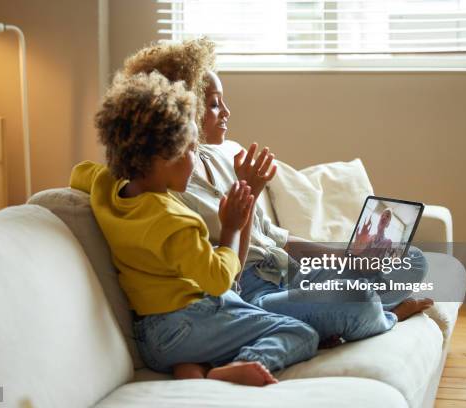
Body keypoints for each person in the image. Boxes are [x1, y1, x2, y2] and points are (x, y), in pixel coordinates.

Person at [123, 38, 434, 346]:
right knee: (359, 299)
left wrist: (348, 259)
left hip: (290, 273)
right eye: (215, 104)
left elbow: (276, 237)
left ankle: (334, 316)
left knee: (412, 261)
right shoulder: (166, 191)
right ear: (182, 108)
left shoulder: (221, 156)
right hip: (253, 297)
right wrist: (247, 201)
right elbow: (223, 284)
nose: (227, 112)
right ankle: (384, 315)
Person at [69, 70, 319, 386]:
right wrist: (230, 229)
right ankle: (238, 365)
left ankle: (192, 367)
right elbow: (217, 281)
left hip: (152, 338)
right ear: (162, 155)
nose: (194, 157)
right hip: (187, 323)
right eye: (189, 149)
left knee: (233, 320)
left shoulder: (106, 185)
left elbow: (79, 173)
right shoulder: (174, 220)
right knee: (299, 332)